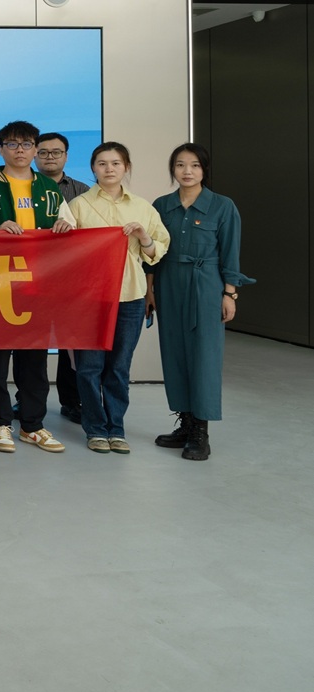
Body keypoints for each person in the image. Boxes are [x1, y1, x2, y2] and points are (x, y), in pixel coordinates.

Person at [0, 120, 74, 454]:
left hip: (39, 286)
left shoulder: (49, 188)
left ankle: (32, 425)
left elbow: (71, 227)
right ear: (0, 149)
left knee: (35, 361)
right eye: (12, 144)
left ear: (34, 149)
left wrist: (65, 226)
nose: (20, 150)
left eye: (27, 144)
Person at [148, 143, 252, 461]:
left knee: (204, 356)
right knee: (175, 353)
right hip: (168, 284)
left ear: (204, 169)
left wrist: (230, 294)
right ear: (173, 169)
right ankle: (185, 422)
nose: (187, 171)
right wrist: (150, 289)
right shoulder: (161, 205)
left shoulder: (222, 206)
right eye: (180, 165)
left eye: (194, 165)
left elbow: (230, 253)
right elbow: (151, 252)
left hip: (206, 285)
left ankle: (200, 433)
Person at [68, 142, 170, 454]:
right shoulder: (78, 206)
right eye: (102, 163)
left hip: (130, 295)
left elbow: (157, 251)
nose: (109, 169)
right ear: (93, 168)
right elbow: (66, 253)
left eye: (115, 163)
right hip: (90, 298)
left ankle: (116, 428)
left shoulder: (142, 207)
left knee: (119, 366)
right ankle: (95, 429)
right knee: (89, 367)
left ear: (126, 167)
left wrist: (143, 236)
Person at [34, 132, 91, 423]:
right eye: (43, 152)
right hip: (33, 278)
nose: (50, 157)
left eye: (56, 152)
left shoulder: (83, 192)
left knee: (72, 340)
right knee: (33, 343)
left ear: (66, 156)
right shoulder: (25, 188)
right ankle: (28, 402)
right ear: (34, 155)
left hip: (72, 278)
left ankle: (71, 401)